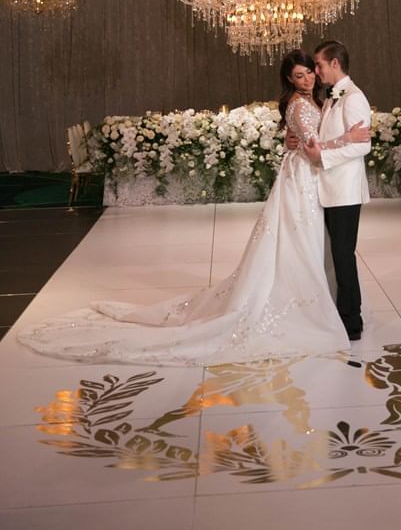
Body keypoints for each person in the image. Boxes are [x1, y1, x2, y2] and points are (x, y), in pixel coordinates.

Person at [16, 49, 370, 366]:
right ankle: (309, 306)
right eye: (300, 75)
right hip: (304, 180)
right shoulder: (298, 103)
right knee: (299, 245)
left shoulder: (321, 100)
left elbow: (306, 139)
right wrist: (342, 139)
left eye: (310, 71)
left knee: (307, 245)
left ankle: (325, 303)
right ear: (289, 80)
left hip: (310, 179)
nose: (308, 78)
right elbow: (312, 144)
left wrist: (294, 139)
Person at [306, 39, 372, 341]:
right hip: (330, 188)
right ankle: (340, 311)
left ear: (335, 64)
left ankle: (351, 321)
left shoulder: (354, 97)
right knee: (336, 254)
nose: (315, 70)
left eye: (319, 64)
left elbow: (363, 145)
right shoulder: (333, 97)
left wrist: (325, 156)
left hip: (344, 189)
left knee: (343, 254)